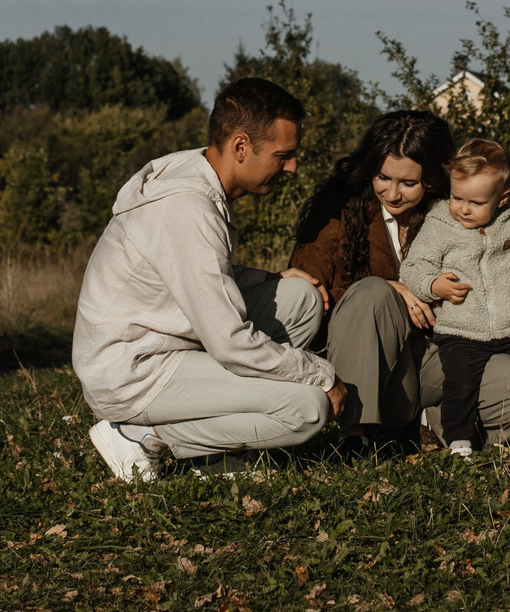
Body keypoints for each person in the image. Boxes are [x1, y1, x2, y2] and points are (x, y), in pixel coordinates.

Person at [73, 76, 348, 482]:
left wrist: (269, 276)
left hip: (164, 340)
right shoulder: (188, 207)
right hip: (133, 370)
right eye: (283, 155)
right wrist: (321, 375)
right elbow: (231, 342)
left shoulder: (203, 172)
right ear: (241, 146)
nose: (292, 167)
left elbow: (192, 273)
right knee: (308, 408)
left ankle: (217, 447)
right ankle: (141, 437)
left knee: (301, 298)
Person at [285, 112, 510, 446]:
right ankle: (355, 436)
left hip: (443, 357)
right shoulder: (337, 209)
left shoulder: (459, 209)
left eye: (408, 183)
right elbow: (306, 298)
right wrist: (389, 289)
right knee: (372, 292)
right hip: (365, 371)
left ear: (433, 179)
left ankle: (432, 428)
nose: (393, 193)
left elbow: (507, 274)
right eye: (383, 177)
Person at [398, 139, 510, 460]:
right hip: (461, 328)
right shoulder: (439, 225)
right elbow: (413, 267)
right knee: (460, 383)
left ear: (502, 198)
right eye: (456, 198)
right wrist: (434, 286)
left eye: (476, 202)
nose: (463, 209)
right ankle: (459, 443)